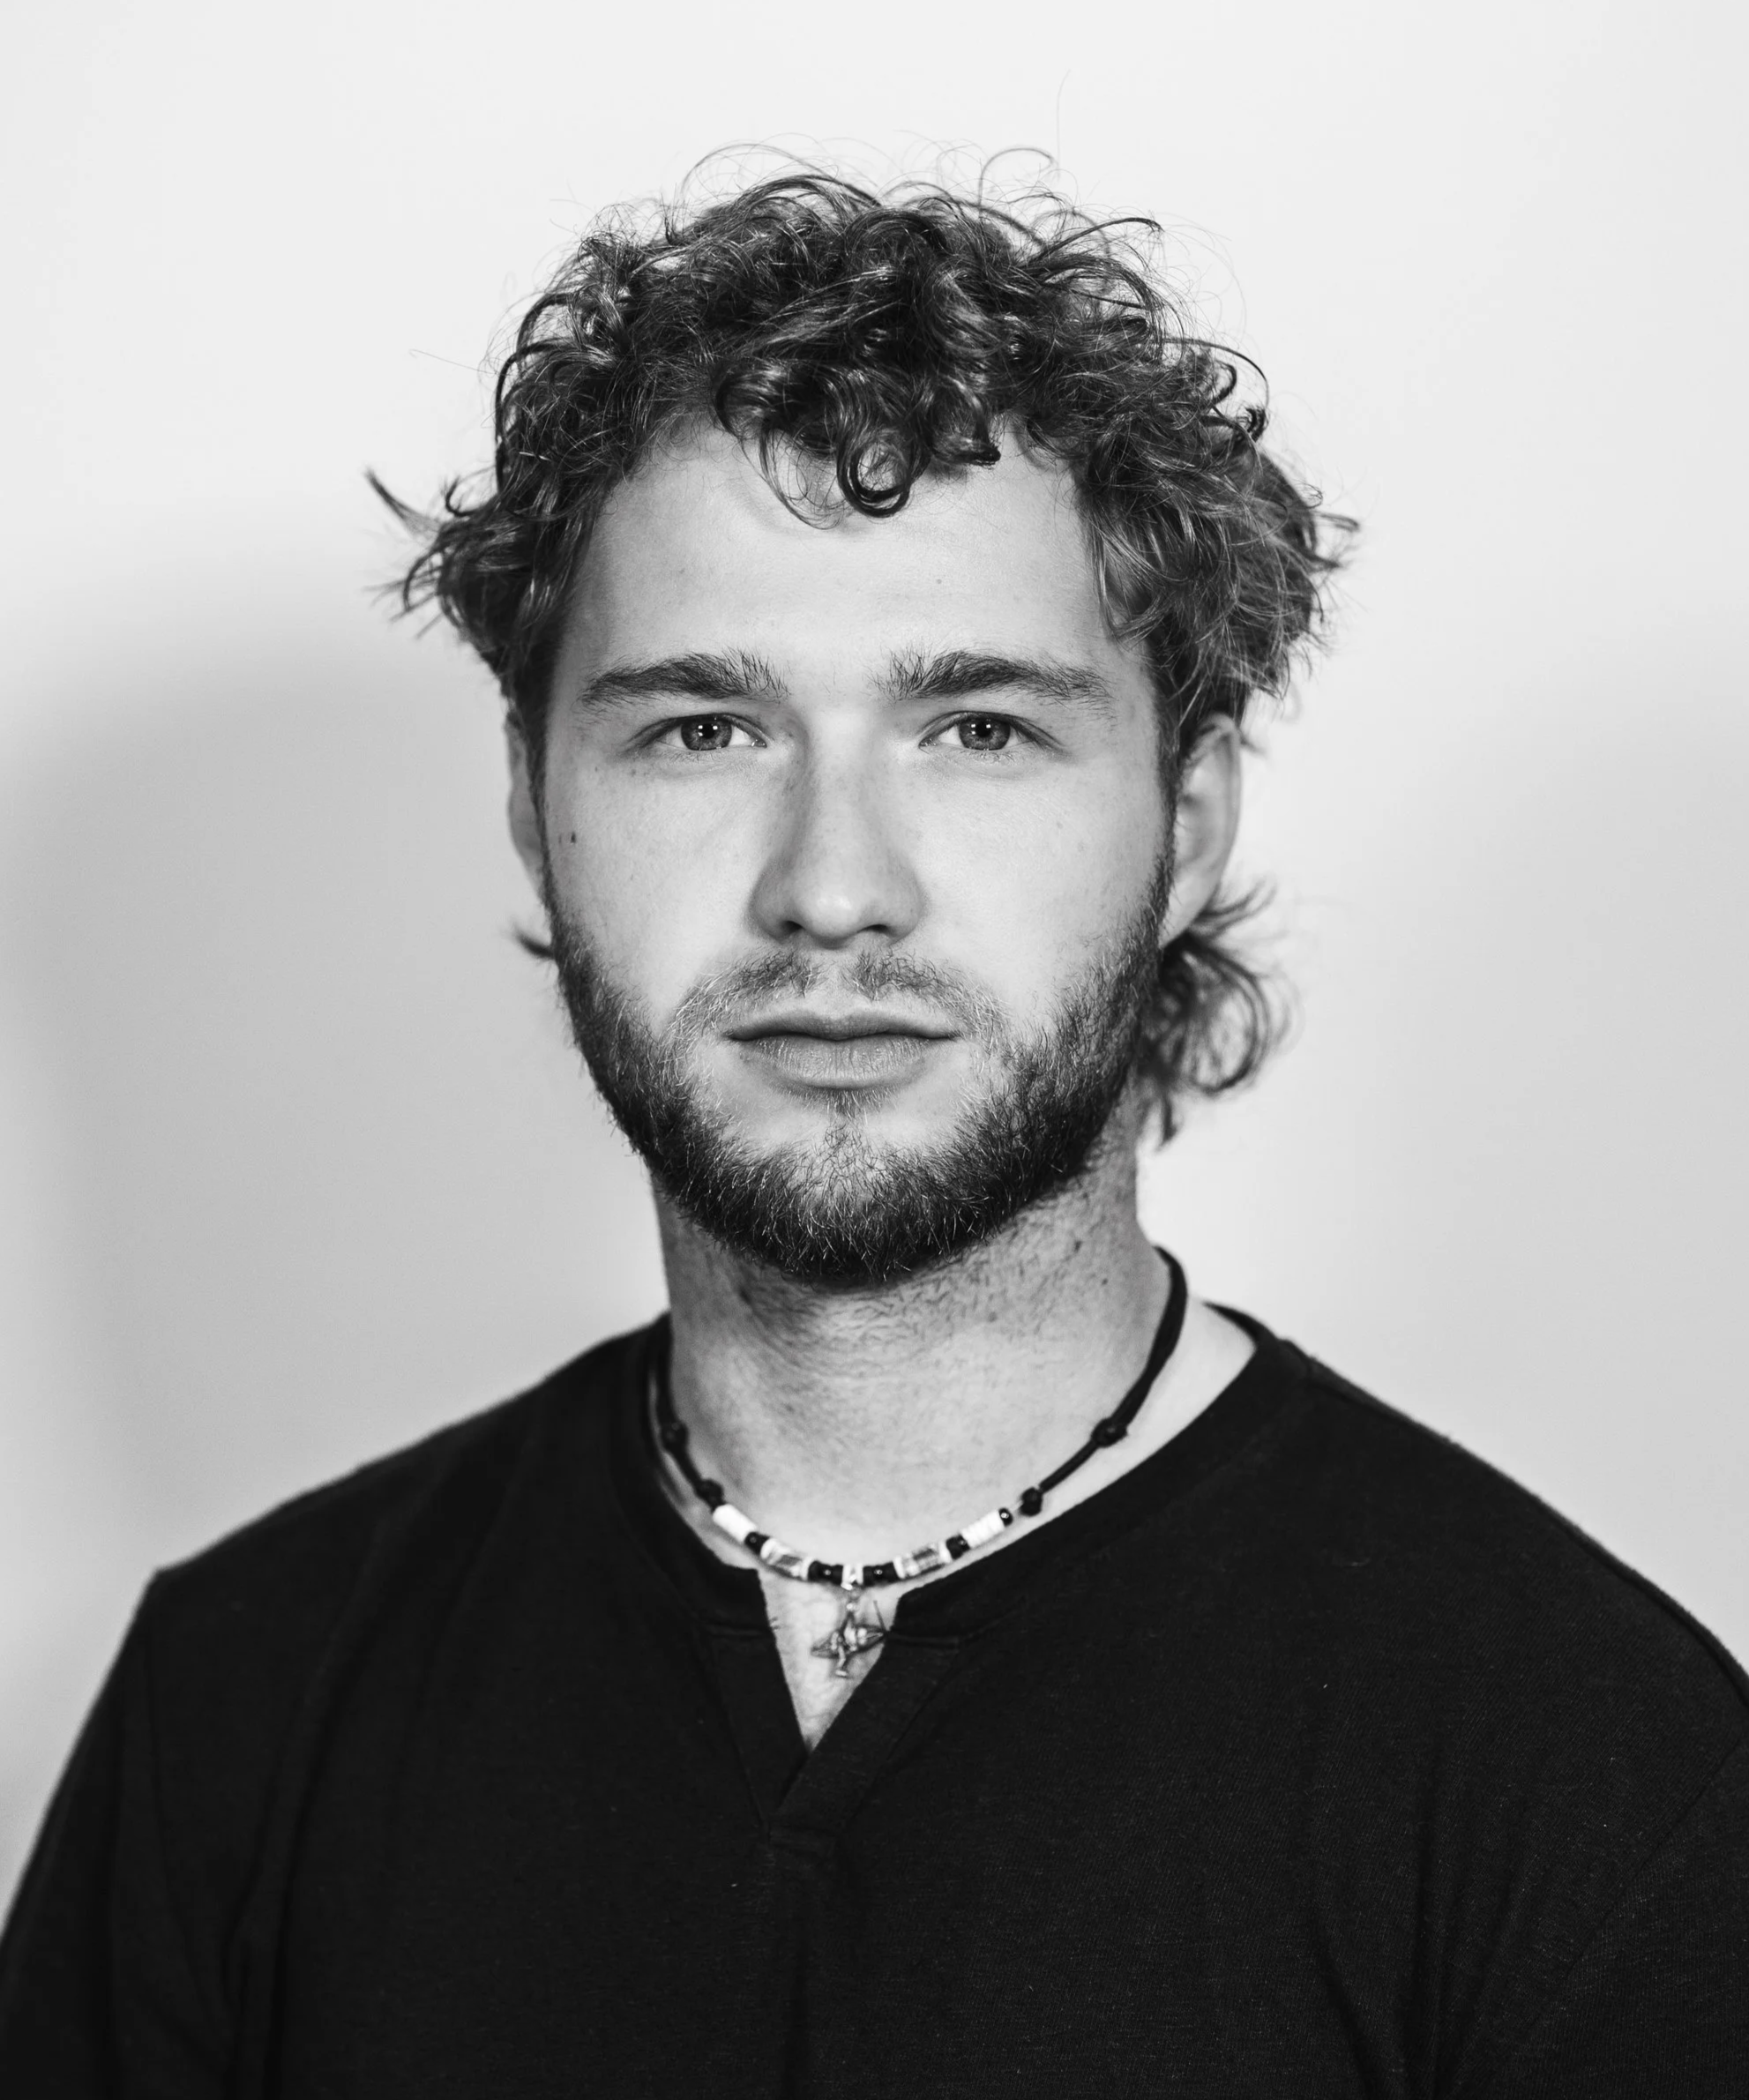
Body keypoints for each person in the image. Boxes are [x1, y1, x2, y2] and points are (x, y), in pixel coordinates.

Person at [2, 168, 1745, 2098]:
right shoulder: (243, 1703)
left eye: (977, 730)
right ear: (533, 806)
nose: (832, 890)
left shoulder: (1597, 1783)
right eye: (702, 730)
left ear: (1184, 827)